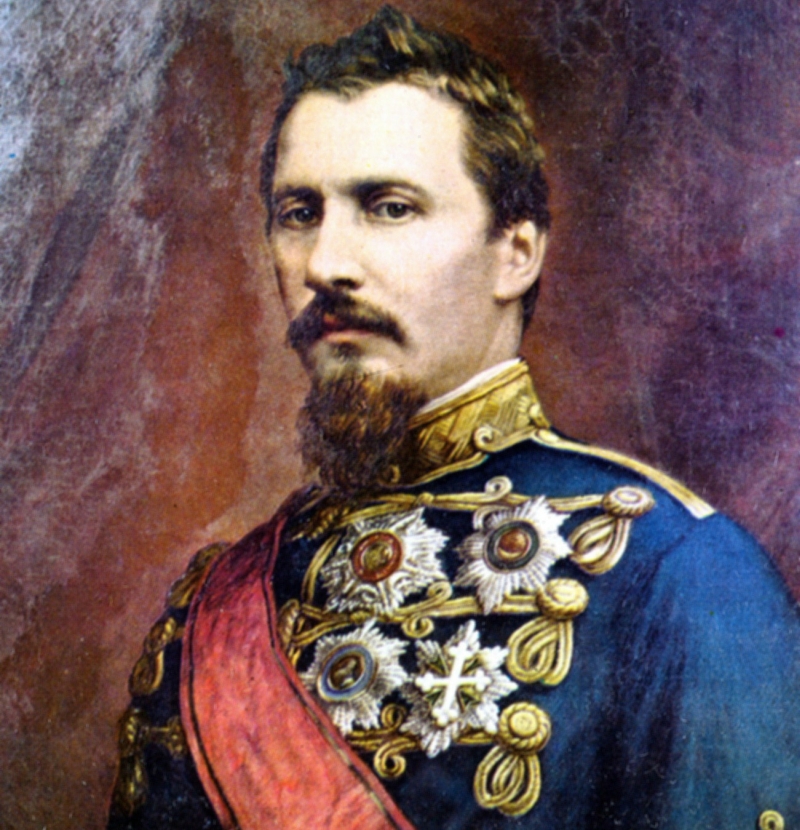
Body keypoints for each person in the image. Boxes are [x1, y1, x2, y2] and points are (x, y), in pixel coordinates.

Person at [108, 6, 800, 829]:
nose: (326, 264)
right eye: (299, 213)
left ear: (516, 252)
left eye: (389, 207)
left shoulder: (676, 571)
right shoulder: (212, 612)